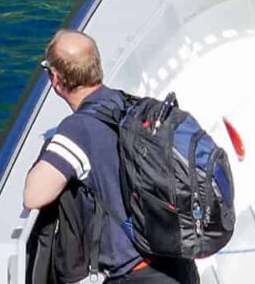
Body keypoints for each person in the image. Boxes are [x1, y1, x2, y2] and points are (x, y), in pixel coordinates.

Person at [20, 28, 198, 283]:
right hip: (179, 265)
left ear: (56, 80)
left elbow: (34, 195)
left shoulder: (78, 130)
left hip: (136, 275)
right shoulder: (130, 104)